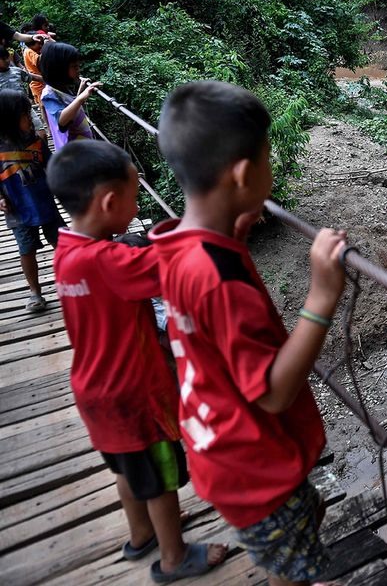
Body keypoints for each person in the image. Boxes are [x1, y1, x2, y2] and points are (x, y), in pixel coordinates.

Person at [151, 80, 347, 586]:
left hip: (217, 446)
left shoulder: (175, 244)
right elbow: (276, 393)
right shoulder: (221, 279)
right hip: (254, 468)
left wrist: (235, 231)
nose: (272, 170)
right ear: (242, 175)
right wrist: (322, 295)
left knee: (302, 521)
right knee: (295, 565)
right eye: (268, 159)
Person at [48, 140, 228, 583]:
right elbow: (168, 269)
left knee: (128, 471)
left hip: (95, 394)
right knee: (160, 479)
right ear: (110, 202)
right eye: (134, 195)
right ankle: (173, 557)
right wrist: (209, 225)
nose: (138, 203)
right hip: (136, 396)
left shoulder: (68, 253)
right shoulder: (110, 261)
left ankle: (141, 534)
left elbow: (128, 264)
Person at [0, 90, 63, 312]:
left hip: (44, 200)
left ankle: (72, 280)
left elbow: (51, 165)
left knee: (61, 243)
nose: (30, 118)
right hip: (17, 208)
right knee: (26, 249)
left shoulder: (35, 141)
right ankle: (35, 292)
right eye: (25, 114)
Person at [38, 41, 99, 149]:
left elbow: (71, 107)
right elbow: (61, 121)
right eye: (74, 67)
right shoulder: (49, 94)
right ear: (59, 69)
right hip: (72, 153)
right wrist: (81, 98)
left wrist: (81, 90)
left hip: (83, 147)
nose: (78, 70)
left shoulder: (62, 89)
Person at [0, 46, 47, 140]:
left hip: (25, 108)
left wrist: (52, 82)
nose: (7, 60)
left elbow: (34, 78)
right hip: (6, 112)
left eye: (7, 57)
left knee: (41, 132)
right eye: (3, 59)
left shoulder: (16, 71)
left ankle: (44, 152)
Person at [23, 35, 46, 115]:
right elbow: (39, 62)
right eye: (39, 44)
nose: (41, 46)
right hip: (38, 84)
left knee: (44, 104)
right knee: (43, 105)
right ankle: (49, 125)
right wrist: (46, 50)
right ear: (31, 44)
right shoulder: (29, 51)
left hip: (41, 83)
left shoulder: (32, 51)